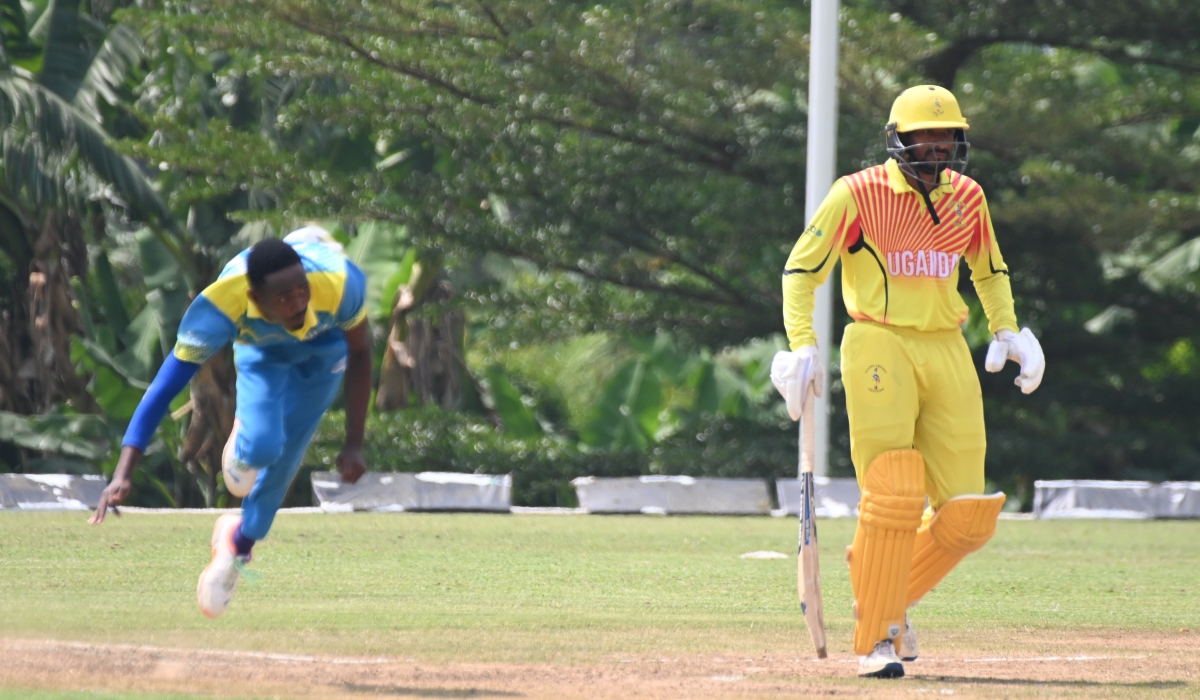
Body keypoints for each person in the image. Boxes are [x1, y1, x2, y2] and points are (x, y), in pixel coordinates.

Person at [772, 85, 1044, 678]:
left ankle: (884, 594)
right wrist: (802, 345)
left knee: (968, 515)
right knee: (894, 490)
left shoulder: (968, 197)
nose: (938, 146)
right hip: (879, 341)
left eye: (947, 136)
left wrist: (1008, 330)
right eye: (926, 136)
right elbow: (801, 270)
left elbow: (990, 270)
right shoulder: (857, 194)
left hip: (946, 346)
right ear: (900, 139)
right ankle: (876, 639)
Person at [89, 227, 372, 618]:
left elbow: (362, 353)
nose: (297, 303)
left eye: (301, 291)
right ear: (255, 297)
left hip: (325, 355)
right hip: (262, 352)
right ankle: (248, 439)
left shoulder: (339, 281)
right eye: (283, 297)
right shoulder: (221, 304)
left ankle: (237, 542)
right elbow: (164, 388)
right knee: (264, 447)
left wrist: (354, 442)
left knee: (287, 456)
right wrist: (123, 471)